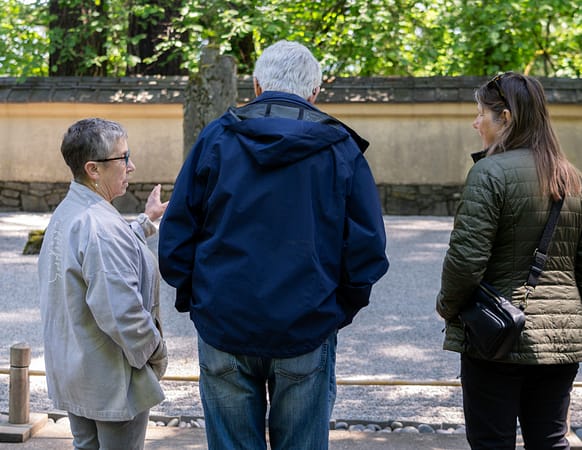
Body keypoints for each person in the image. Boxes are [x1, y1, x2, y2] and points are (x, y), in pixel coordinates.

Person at [158, 40, 388, 449]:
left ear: (257, 86)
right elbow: (366, 249)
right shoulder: (339, 148)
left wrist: (197, 298)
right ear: (315, 92)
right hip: (307, 320)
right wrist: (337, 310)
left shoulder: (217, 138)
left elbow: (177, 235)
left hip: (224, 318)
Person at [436, 72, 582, 449]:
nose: (475, 122)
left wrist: (446, 307)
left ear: (507, 117)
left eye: (481, 113)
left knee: (491, 442)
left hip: (496, 335)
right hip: (561, 338)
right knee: (550, 440)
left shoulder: (489, 173)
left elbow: (466, 262)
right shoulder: (573, 180)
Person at [38, 118, 169, 450]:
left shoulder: (69, 212)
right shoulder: (98, 225)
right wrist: (156, 351)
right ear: (93, 169)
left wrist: (146, 220)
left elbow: (105, 255)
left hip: (77, 369)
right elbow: (122, 313)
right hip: (112, 377)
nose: (131, 166)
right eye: (123, 158)